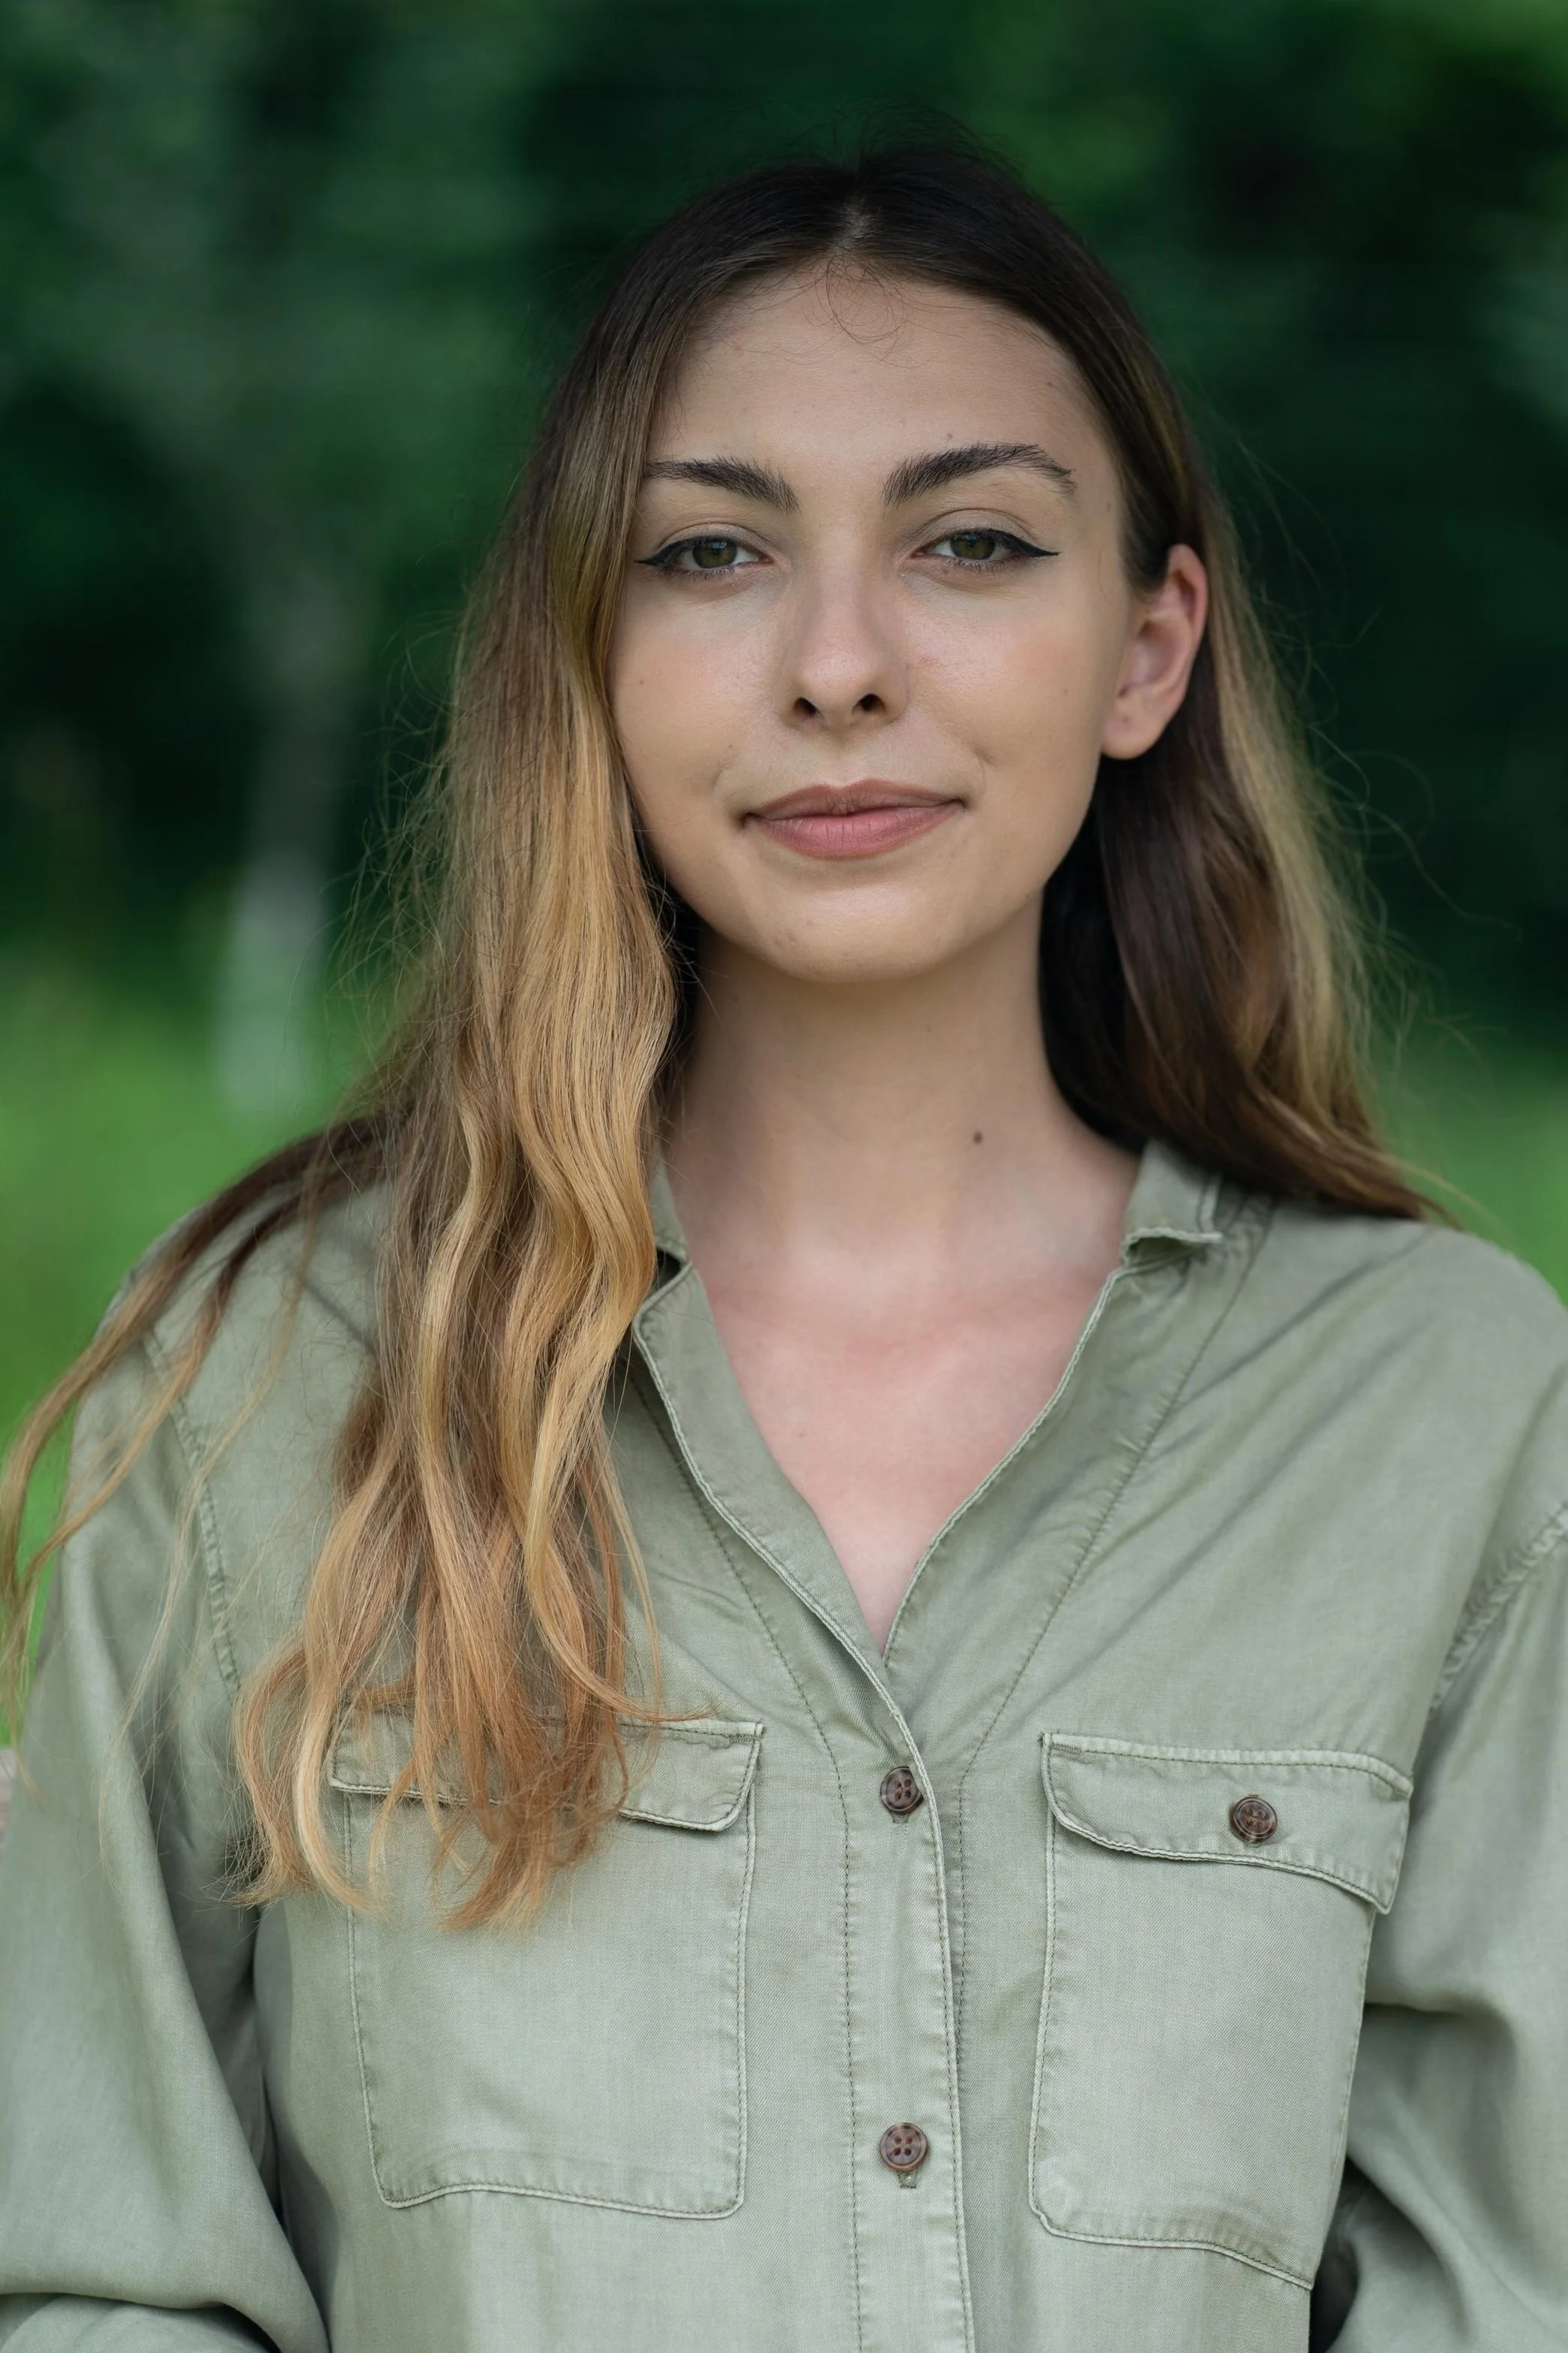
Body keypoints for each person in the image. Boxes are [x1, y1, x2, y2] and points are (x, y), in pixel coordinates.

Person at [0, 142, 1563, 2353]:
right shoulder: (263, 1370)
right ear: (592, 650)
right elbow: (97, 2275)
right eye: (711, 551)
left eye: (973, 543)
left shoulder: (1450, 1407)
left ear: (1147, 650)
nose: (838, 665)